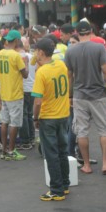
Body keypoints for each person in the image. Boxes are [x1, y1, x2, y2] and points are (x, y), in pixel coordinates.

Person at [64, 20, 106, 175]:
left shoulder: (70, 51)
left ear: (77, 32)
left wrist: (69, 94)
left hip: (79, 95)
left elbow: (68, 76)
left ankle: (87, 165)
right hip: (97, 95)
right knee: (104, 128)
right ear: (90, 32)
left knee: (81, 131)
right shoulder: (98, 48)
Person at [32, 38, 70, 201]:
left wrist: (35, 117)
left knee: (51, 153)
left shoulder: (42, 72)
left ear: (41, 52)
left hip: (48, 116)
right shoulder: (61, 65)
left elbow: (38, 100)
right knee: (62, 151)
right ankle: (65, 184)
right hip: (63, 114)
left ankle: (56, 189)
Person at [0, 29, 28, 161]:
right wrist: (26, 64)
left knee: (4, 121)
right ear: (17, 41)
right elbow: (25, 74)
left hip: (4, 92)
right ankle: (11, 150)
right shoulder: (16, 56)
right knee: (14, 123)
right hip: (15, 93)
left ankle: (4, 150)